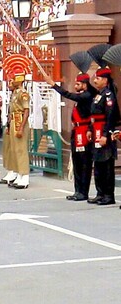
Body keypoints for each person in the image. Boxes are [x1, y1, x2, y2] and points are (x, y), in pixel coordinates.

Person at [44, 64, 95, 201]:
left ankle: (83, 192)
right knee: (77, 162)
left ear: (84, 85)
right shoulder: (82, 96)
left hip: (83, 132)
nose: (75, 86)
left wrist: (54, 85)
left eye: (78, 84)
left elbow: (68, 95)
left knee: (84, 163)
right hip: (76, 130)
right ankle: (78, 190)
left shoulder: (87, 96)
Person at [86, 66, 119, 205]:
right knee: (98, 163)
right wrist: (89, 129)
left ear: (105, 80)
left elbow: (110, 116)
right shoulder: (98, 94)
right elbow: (93, 115)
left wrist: (106, 134)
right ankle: (100, 193)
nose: (95, 80)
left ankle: (108, 195)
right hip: (96, 131)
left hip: (104, 132)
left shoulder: (108, 95)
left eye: (98, 78)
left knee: (106, 164)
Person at [7, 69, 30, 189]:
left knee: (21, 149)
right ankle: (19, 174)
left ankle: (25, 176)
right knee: (15, 149)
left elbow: (26, 111)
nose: (11, 80)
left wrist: (21, 128)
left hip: (20, 120)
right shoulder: (15, 92)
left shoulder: (23, 93)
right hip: (14, 120)